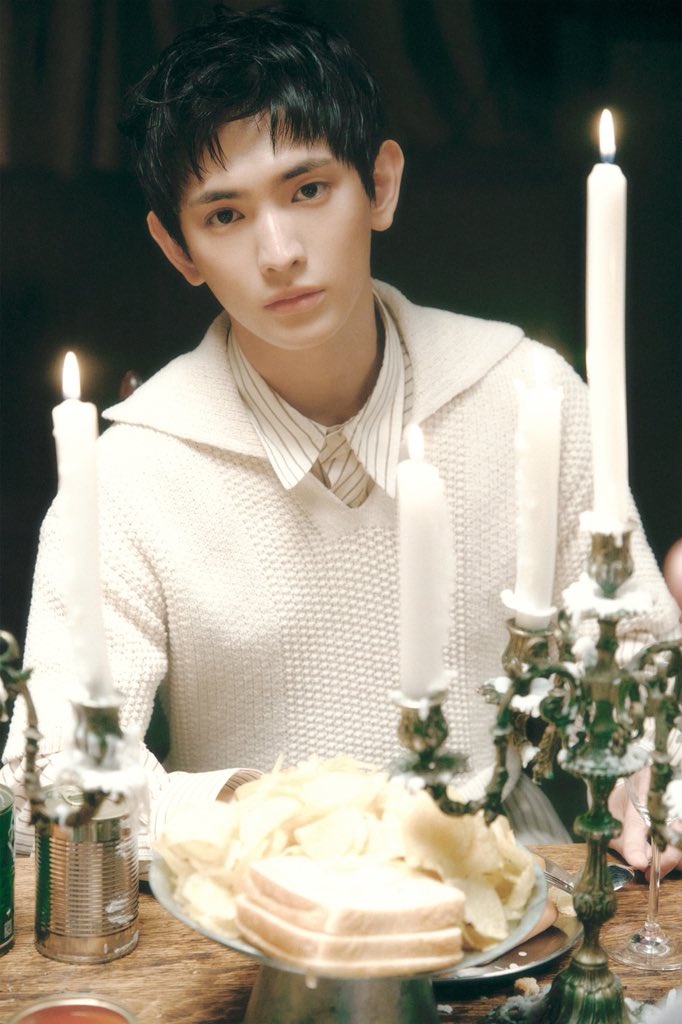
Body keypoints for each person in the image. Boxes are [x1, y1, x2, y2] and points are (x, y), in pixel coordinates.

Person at [2, 5, 679, 876]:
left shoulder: (526, 395)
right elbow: (51, 786)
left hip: (500, 889)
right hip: (251, 895)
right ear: (178, 249)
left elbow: (645, 672)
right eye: (225, 215)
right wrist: (283, 818)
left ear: (381, 184)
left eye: (309, 190)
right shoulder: (128, 473)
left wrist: (655, 784)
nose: (279, 252)